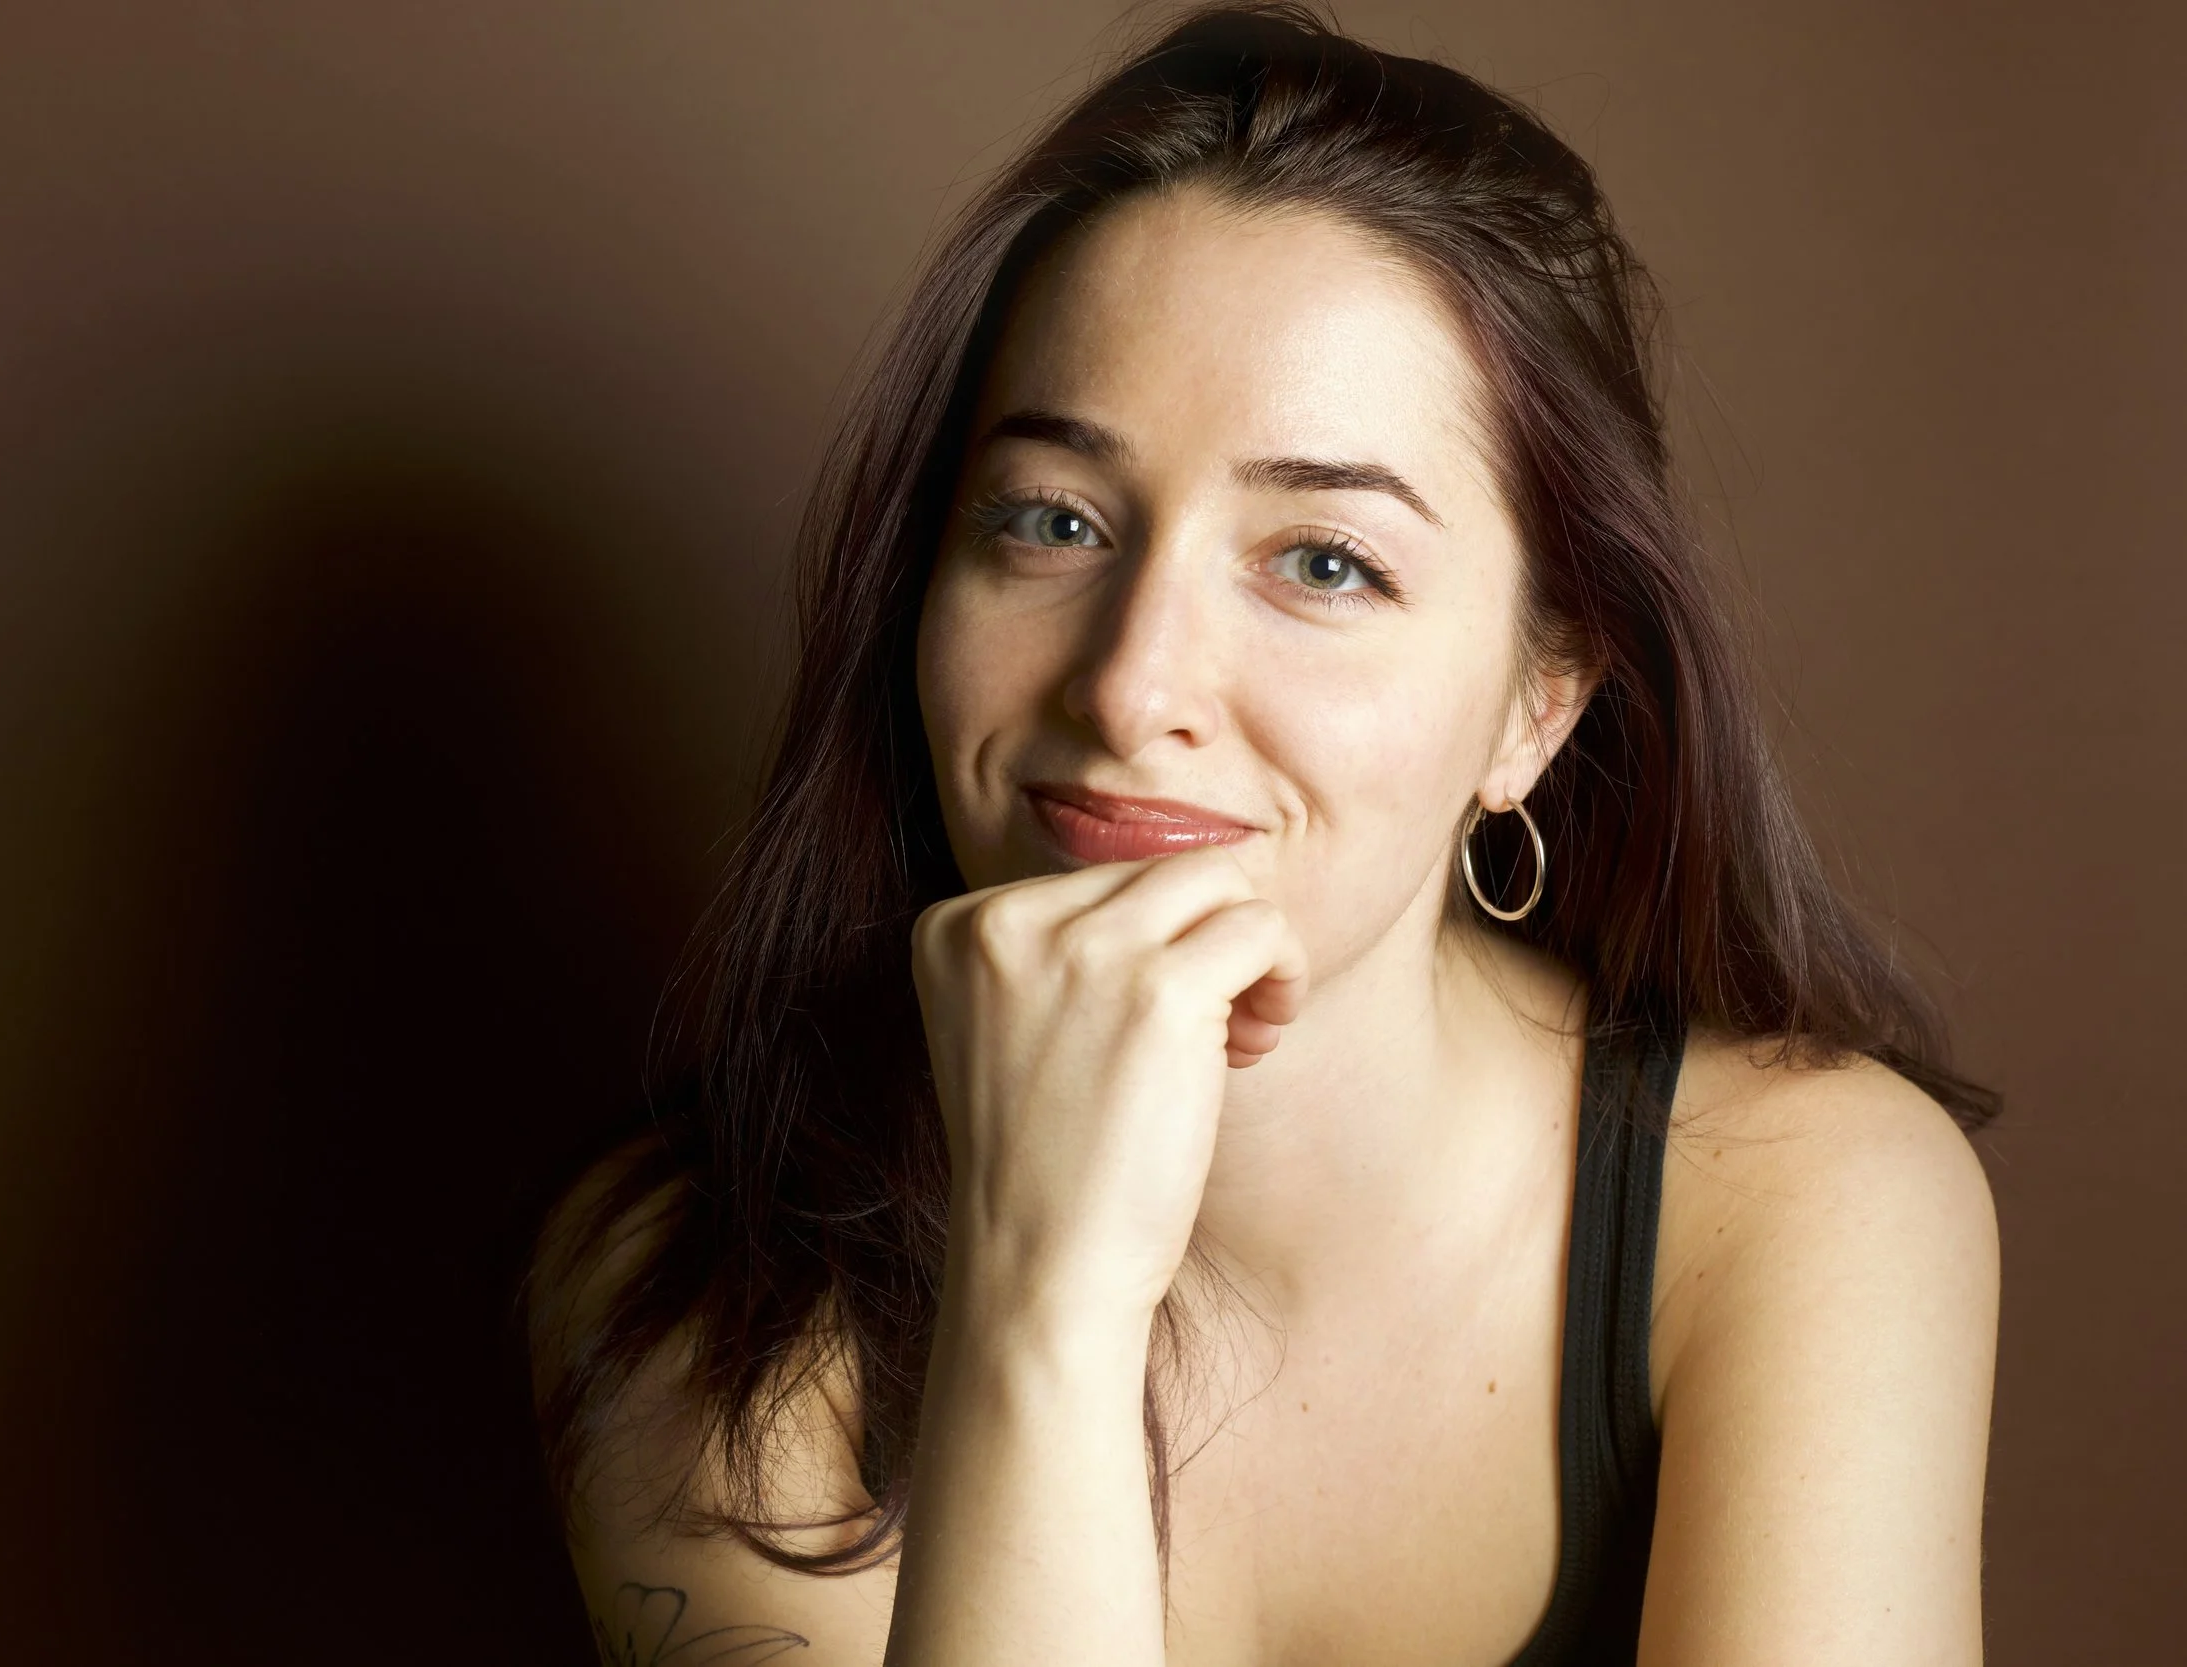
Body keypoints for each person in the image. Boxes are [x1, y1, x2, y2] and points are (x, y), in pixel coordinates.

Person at [524, 6, 2002, 1663]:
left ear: (1541, 702)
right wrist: (1049, 1301)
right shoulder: (689, 1290)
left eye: (1323, 562)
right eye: (1054, 520)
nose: (1134, 680)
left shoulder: (1792, 1203)